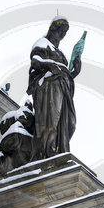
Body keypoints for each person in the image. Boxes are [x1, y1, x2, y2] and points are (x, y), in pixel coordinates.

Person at [27, 16, 82, 160]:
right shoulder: (43, 43)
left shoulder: (60, 53)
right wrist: (49, 65)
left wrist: (74, 72)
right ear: (53, 30)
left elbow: (65, 72)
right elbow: (35, 60)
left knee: (69, 123)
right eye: (61, 31)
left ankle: (58, 149)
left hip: (62, 88)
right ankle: (47, 150)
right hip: (48, 86)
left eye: (65, 32)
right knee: (51, 120)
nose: (62, 35)